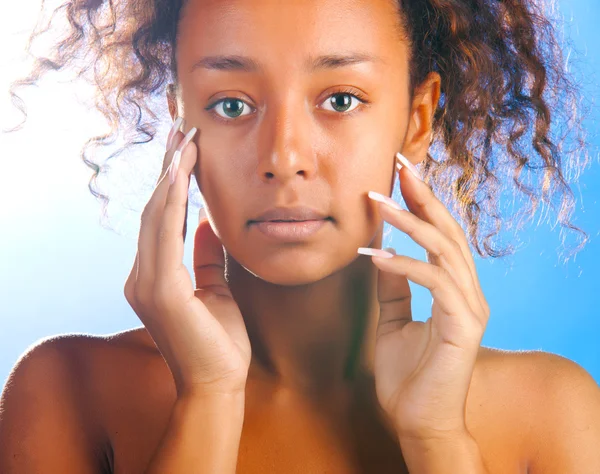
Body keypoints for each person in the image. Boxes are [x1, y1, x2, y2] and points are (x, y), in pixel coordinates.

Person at [1, 0, 599, 472]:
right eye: (231, 105)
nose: (284, 159)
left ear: (416, 121)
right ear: (182, 126)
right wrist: (207, 401)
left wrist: (439, 439)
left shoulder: (553, 411)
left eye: (340, 99)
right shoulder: (67, 390)